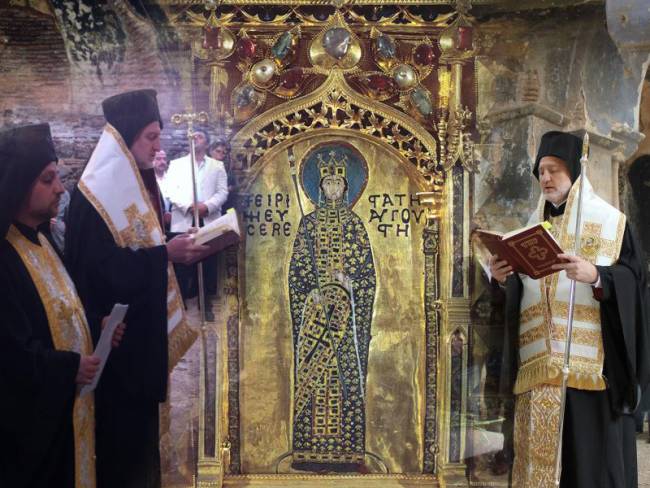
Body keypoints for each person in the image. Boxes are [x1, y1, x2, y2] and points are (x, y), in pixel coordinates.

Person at [490, 131, 650, 487]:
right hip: (537, 374)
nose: (546, 178)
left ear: (575, 172)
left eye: (554, 169)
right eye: (541, 171)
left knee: (588, 469)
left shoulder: (611, 223)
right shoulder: (529, 231)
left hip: (592, 376)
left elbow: (635, 282)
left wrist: (597, 276)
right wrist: (502, 281)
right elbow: (523, 297)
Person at [64, 89, 206, 488]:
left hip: (139, 346)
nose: (158, 147)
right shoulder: (95, 194)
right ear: (127, 136)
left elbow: (140, 246)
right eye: (151, 137)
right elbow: (102, 270)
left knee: (142, 449)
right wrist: (166, 255)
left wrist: (174, 246)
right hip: (117, 349)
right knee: (123, 454)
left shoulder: (131, 183)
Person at [0, 123, 124, 487]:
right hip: (31, 436)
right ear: (18, 184)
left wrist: (96, 327)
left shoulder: (43, 240)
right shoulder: (5, 256)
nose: (60, 188)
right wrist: (70, 367)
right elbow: (10, 353)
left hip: (67, 415)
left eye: (57, 177)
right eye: (47, 179)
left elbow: (59, 312)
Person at [166, 129, 228, 303]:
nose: (194, 138)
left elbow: (222, 192)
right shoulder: (176, 164)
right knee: (183, 266)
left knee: (208, 264)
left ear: (206, 143)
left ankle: (206, 303)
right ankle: (182, 303)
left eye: (199, 136)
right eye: (192, 136)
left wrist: (206, 207)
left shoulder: (217, 166)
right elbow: (171, 191)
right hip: (184, 218)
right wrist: (189, 206)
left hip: (208, 218)